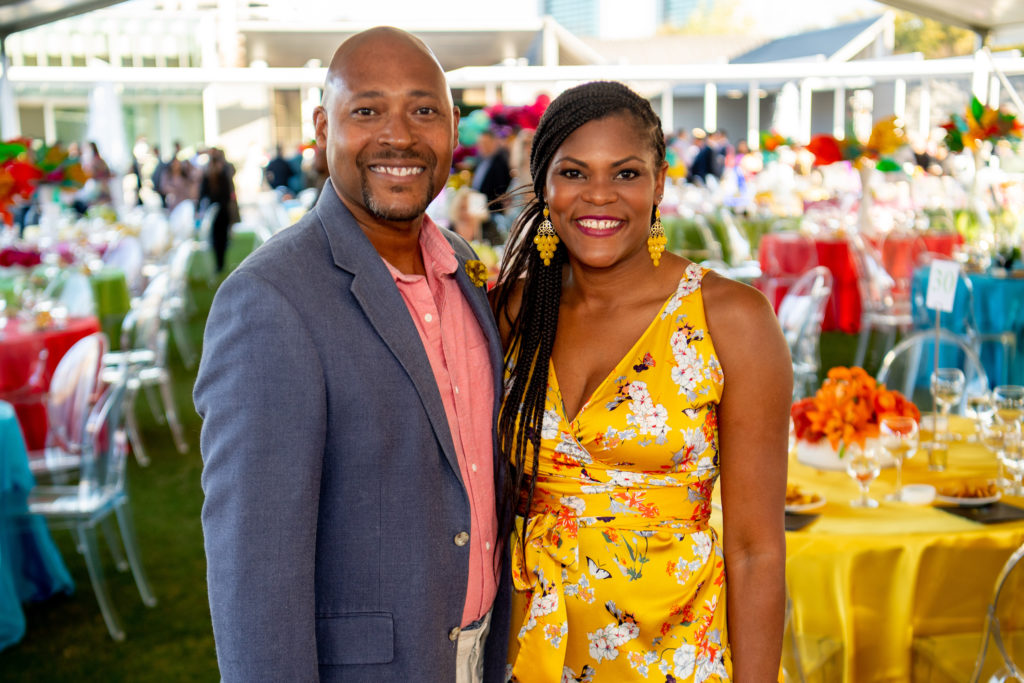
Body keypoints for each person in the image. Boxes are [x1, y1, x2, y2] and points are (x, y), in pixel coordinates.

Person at [194, 26, 509, 683]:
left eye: (423, 110)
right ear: (321, 126)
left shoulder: (465, 268)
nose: (399, 135)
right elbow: (256, 574)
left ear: (453, 126)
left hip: (486, 656)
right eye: (367, 110)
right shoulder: (269, 301)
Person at [492, 81, 789, 682]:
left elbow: (757, 551)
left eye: (625, 173)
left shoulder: (730, 319)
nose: (599, 195)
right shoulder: (512, 312)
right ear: (543, 183)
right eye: (574, 172)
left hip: (672, 655)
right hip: (527, 650)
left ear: (659, 183)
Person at [198, 147, 237, 274]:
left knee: (217, 238)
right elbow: (227, 194)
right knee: (222, 238)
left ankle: (219, 264)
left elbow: (202, 194)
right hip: (221, 211)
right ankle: (221, 263)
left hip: (216, 212)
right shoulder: (218, 176)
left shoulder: (213, 176)